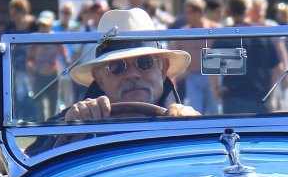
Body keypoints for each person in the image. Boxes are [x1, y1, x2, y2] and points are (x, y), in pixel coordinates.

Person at [62, 8, 199, 122]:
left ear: (163, 69)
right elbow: (50, 140)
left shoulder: (187, 124)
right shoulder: (74, 122)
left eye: (145, 62)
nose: (132, 75)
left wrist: (195, 128)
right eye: (117, 66)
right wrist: (71, 124)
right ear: (99, 78)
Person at [216, 0, 284, 114]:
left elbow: (212, 67)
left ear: (229, 10)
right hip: (260, 97)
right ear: (249, 9)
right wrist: (270, 94)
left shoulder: (224, 36)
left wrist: (217, 88)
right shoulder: (262, 34)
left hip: (233, 97)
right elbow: (278, 68)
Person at [168, 0, 219, 114]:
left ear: (199, 12)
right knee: (195, 111)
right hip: (192, 77)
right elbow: (174, 52)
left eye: (189, 12)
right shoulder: (183, 32)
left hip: (212, 76)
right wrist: (181, 71)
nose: (186, 16)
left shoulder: (215, 29)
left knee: (214, 111)